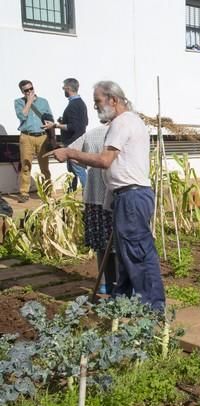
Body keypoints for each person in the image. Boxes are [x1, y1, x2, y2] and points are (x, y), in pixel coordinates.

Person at [52, 81, 165, 311]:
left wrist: (71, 152)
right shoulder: (130, 121)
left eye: (98, 102)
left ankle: (153, 307)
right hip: (128, 196)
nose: (95, 107)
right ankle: (121, 299)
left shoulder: (122, 123)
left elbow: (104, 161)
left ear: (113, 100)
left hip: (132, 196)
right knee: (126, 253)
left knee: (137, 252)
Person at [69, 122, 114, 295]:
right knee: (116, 244)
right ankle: (118, 283)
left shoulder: (91, 134)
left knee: (100, 243)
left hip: (93, 194)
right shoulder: (120, 133)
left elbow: (71, 153)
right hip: (113, 195)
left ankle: (104, 283)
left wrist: (85, 171)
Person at [44, 78, 89, 192]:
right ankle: (70, 194)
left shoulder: (74, 105)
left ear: (68, 88)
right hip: (76, 141)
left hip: (73, 143)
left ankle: (89, 197)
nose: (63, 89)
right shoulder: (80, 103)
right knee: (72, 172)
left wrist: (56, 126)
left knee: (78, 170)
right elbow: (84, 122)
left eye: (63, 87)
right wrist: (63, 122)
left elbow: (74, 126)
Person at [13, 80, 53, 203]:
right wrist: (29, 102)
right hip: (27, 137)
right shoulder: (18, 102)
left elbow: (50, 117)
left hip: (42, 137)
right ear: (22, 91)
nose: (30, 91)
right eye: (26, 90)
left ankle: (48, 191)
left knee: (44, 167)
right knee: (25, 166)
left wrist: (50, 124)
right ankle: (24, 192)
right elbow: (22, 116)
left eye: (31, 88)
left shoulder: (43, 101)